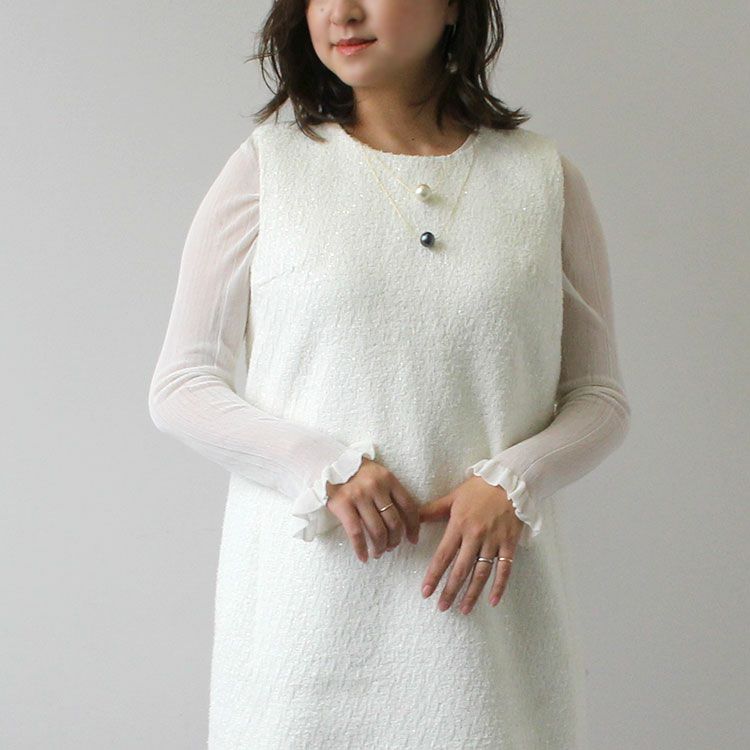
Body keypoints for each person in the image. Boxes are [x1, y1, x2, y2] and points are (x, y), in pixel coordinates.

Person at [148, 0, 631, 747]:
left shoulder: (543, 179)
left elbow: (598, 397)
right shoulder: (269, 168)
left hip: (487, 630)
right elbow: (183, 385)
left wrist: (515, 480)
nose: (342, 12)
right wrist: (322, 467)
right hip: (306, 627)